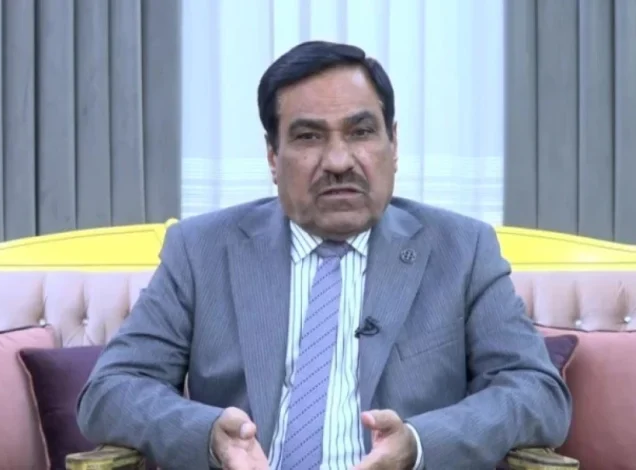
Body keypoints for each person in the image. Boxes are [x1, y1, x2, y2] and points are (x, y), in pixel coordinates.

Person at [76, 40, 572, 470]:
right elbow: (110, 390)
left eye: (361, 132)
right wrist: (208, 435)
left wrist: (422, 444)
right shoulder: (201, 250)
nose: (338, 161)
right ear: (273, 157)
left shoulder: (461, 250)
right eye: (309, 136)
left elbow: (537, 393)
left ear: (393, 143)